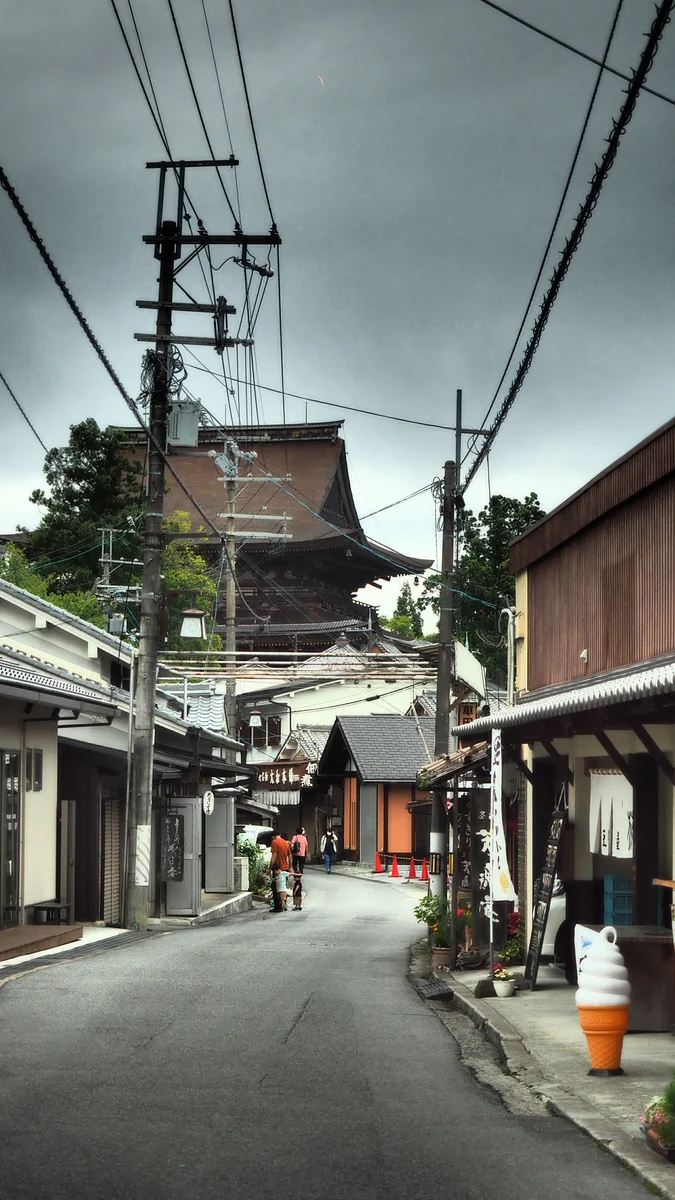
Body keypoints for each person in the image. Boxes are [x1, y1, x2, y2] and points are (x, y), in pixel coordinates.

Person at [270, 830, 292, 912]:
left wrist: (270, 868)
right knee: (283, 887)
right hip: (285, 868)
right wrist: (290, 867)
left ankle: (278, 907)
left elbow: (274, 856)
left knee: (276, 888)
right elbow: (290, 856)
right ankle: (284, 905)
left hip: (277, 868)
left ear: (273, 836)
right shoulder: (286, 843)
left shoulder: (274, 842)